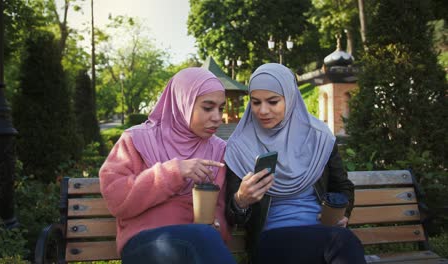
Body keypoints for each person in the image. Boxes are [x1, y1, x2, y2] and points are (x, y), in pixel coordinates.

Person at [224, 63, 366, 264]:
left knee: (339, 241)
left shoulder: (319, 138)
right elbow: (234, 217)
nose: (263, 110)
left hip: (323, 232)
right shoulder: (240, 146)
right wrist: (241, 200)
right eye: (255, 102)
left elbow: (342, 187)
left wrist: (343, 214)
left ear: (290, 99)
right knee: (341, 242)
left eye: (273, 102)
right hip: (272, 238)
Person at [99, 67, 236, 264]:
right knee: (200, 238)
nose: (217, 117)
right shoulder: (136, 139)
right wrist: (174, 172)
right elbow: (116, 198)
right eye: (208, 107)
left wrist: (217, 225)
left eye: (221, 108)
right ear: (182, 103)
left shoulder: (218, 149)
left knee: (203, 237)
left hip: (198, 245)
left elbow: (218, 210)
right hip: (145, 243)